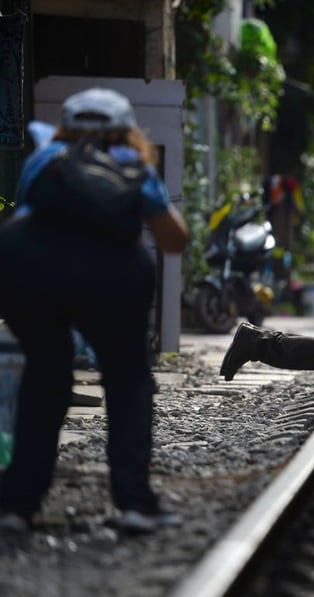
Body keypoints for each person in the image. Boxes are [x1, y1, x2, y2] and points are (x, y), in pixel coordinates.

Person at [0, 88, 189, 534]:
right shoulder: (131, 163)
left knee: (45, 375)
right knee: (127, 382)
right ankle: (134, 504)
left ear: (65, 126)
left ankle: (16, 506)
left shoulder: (45, 156)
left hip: (31, 269)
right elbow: (173, 241)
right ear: (126, 130)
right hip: (114, 277)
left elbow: (26, 214)